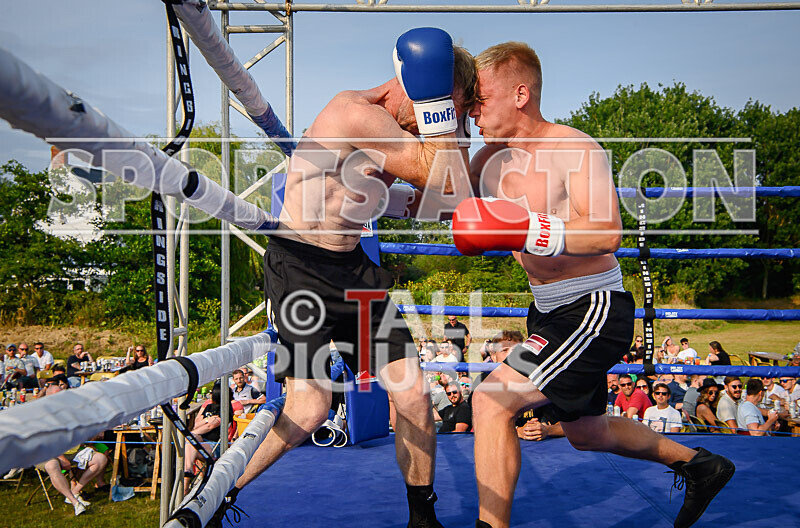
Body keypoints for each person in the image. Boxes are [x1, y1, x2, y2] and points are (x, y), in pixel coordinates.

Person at [453, 41, 734, 528]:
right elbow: (438, 202)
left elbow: (607, 232)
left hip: (594, 307)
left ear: (520, 94)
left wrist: (525, 229)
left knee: (490, 400)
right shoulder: (485, 162)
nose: (473, 111)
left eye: (480, 99)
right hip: (547, 311)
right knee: (582, 431)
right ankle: (699, 465)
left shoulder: (574, 149)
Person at [212, 28, 479, 528]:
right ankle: (220, 493)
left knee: (414, 394)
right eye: (440, 105)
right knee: (310, 408)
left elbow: (450, 194)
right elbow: (446, 178)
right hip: (300, 268)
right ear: (419, 87)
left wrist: (446, 137)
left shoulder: (406, 135)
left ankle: (422, 516)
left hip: (355, 271)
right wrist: (442, 119)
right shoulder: (354, 112)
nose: (438, 120)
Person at [184, 384, 244, 494]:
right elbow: (197, 423)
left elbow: (210, 426)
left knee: (190, 442)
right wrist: (208, 420)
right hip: (202, 442)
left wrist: (193, 433)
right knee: (191, 442)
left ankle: (186, 481)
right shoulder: (208, 407)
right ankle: (188, 472)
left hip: (216, 446)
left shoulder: (226, 410)